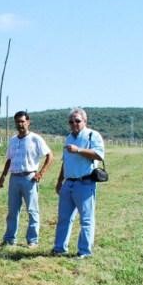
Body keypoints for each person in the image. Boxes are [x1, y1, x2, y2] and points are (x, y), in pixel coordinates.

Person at [53, 107, 105, 258]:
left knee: (86, 219)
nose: (74, 124)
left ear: (85, 121)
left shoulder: (92, 135)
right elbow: (65, 162)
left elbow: (99, 155)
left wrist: (79, 150)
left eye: (77, 121)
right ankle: (59, 248)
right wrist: (60, 181)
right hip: (69, 183)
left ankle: (84, 251)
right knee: (64, 218)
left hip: (85, 183)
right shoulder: (69, 138)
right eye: (71, 122)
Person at [0, 111, 53, 247]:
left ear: (28, 122)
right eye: (17, 122)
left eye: (22, 121)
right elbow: (9, 159)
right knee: (12, 211)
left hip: (29, 178)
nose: (20, 124)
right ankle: (10, 239)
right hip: (14, 178)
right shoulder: (13, 140)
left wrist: (41, 173)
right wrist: (3, 176)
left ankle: (32, 240)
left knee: (32, 210)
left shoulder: (35, 139)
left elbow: (49, 155)